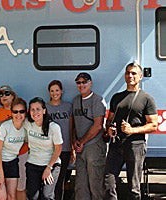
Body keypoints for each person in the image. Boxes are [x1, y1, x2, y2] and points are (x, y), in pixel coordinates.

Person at [104, 63, 158, 200]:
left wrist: (132, 130)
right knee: (108, 182)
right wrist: (109, 129)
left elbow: (153, 125)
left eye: (134, 73)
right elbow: (110, 120)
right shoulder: (117, 97)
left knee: (134, 187)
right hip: (116, 145)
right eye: (128, 73)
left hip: (136, 145)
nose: (130, 76)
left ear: (140, 76)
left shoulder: (147, 99)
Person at [0, 85, 28, 200]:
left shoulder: (26, 126)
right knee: (2, 197)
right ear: (12, 113)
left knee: (12, 196)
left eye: (22, 112)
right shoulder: (5, 126)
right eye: (15, 112)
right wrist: (0, 174)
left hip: (12, 161)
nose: (18, 114)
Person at [71, 72, 107, 200]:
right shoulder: (75, 100)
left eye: (84, 82)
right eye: (78, 82)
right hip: (80, 148)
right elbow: (73, 125)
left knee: (95, 183)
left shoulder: (97, 100)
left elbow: (98, 125)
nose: (81, 85)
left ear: (90, 83)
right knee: (80, 185)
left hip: (94, 146)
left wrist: (82, 142)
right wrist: (74, 141)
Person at [24, 97, 63, 200]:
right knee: (33, 196)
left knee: (47, 196)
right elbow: (13, 121)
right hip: (33, 164)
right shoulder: (27, 123)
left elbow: (58, 148)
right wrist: (0, 125)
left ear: (44, 111)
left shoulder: (54, 127)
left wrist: (49, 168)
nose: (35, 112)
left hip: (51, 165)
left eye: (38, 109)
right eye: (32, 109)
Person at [46, 80, 73, 200]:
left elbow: (71, 128)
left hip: (65, 148)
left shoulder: (68, 106)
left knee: (61, 180)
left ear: (61, 91)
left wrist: (72, 148)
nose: (54, 93)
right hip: (50, 150)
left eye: (57, 90)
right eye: (52, 91)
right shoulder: (45, 107)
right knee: (49, 180)